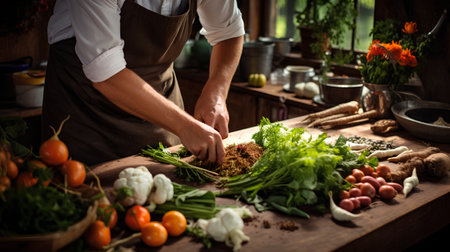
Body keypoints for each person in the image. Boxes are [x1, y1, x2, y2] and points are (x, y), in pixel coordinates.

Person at [43, 0, 244, 165]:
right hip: (87, 114)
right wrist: (184, 126)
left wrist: (216, 93)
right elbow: (106, 73)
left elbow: (230, 33)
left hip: (163, 110)